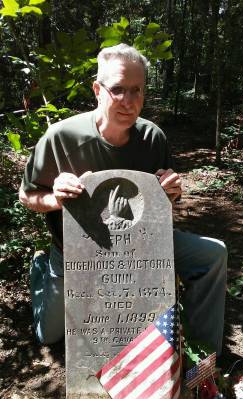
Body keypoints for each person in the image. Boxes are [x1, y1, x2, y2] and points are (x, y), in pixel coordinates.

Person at [19, 43, 227, 355]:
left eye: (136, 90)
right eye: (117, 89)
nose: (128, 102)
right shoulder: (62, 137)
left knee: (213, 254)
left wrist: (170, 192)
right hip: (77, 250)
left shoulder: (153, 137)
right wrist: (55, 199)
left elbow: (158, 204)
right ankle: (41, 265)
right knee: (49, 336)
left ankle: (202, 358)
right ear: (97, 89)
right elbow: (26, 196)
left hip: (139, 247)